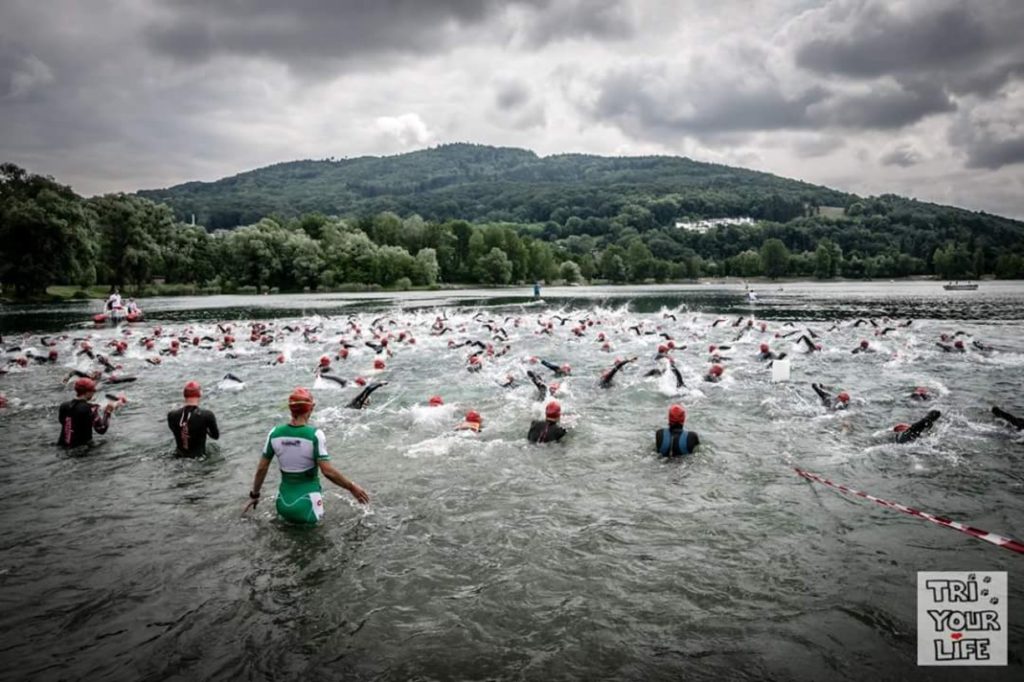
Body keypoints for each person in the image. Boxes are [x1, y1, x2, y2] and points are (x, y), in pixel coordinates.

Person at [243, 387, 369, 524]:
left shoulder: (274, 433)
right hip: (307, 504)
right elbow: (328, 471)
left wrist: (254, 495)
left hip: (282, 503)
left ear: (290, 409)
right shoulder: (315, 435)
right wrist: (352, 487)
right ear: (311, 408)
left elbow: (262, 468)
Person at [167, 380, 220, 457]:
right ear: (200, 394)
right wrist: (205, 429)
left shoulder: (171, 415)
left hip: (178, 457)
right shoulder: (207, 415)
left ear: (184, 395)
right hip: (199, 459)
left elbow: (174, 429)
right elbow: (215, 436)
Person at [57, 378, 113, 448]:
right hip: (82, 449)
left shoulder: (64, 405)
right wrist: (108, 412)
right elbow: (101, 429)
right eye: (93, 391)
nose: (94, 393)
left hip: (62, 446)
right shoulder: (90, 408)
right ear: (87, 392)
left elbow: (63, 422)